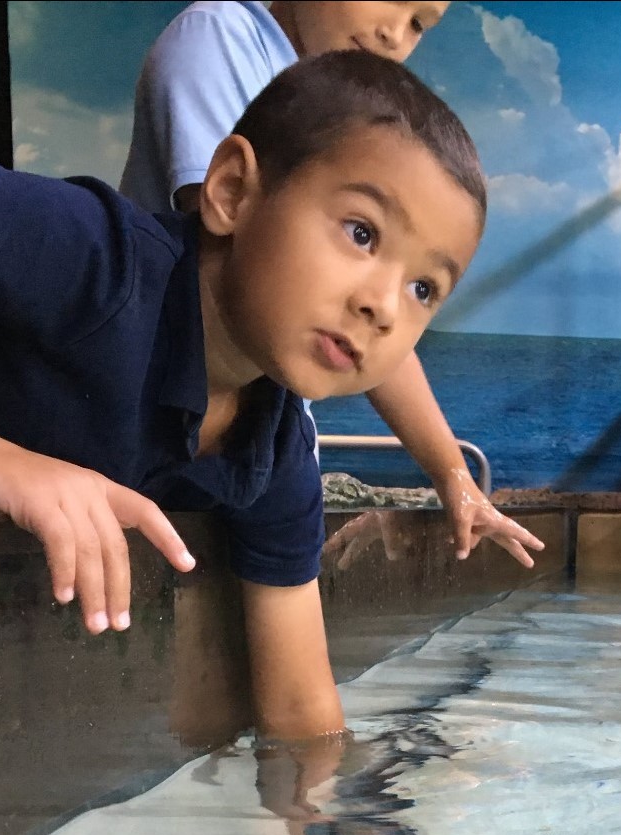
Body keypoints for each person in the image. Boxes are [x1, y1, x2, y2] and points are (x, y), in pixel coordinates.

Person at [0, 51, 487, 742]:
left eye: (425, 288)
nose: (385, 305)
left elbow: (298, 711)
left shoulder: (273, 455)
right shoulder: (99, 260)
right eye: (361, 231)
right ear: (230, 191)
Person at [120, 1, 544, 569]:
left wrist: (454, 477)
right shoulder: (222, 35)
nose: (397, 32)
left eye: (420, 23)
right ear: (235, 187)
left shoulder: (280, 444)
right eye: (360, 232)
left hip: (254, 457)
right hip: (152, 426)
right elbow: (244, 253)